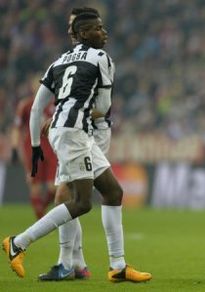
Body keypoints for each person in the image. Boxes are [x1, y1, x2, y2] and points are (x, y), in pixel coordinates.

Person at [2, 13, 151, 283]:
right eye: (97, 29)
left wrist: (36, 144)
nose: (104, 32)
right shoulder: (101, 58)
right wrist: (75, 111)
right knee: (81, 202)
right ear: (84, 34)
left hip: (67, 131)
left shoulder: (57, 62)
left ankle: (118, 266)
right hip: (74, 133)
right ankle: (18, 242)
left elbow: (36, 108)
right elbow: (104, 107)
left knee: (113, 191)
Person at [37, 6, 111, 281]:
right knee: (74, 197)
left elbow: (102, 106)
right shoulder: (75, 60)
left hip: (92, 131)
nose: (70, 32)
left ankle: (67, 262)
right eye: (70, 28)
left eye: (74, 27)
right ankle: (77, 263)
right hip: (78, 131)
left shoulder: (96, 59)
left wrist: (58, 116)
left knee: (68, 197)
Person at [11, 75, 57, 219]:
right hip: (32, 148)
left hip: (51, 148)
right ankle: (40, 218)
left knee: (53, 187)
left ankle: (42, 208)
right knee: (35, 186)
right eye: (37, 84)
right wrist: (14, 148)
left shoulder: (54, 105)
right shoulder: (25, 105)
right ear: (32, 87)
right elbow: (17, 128)